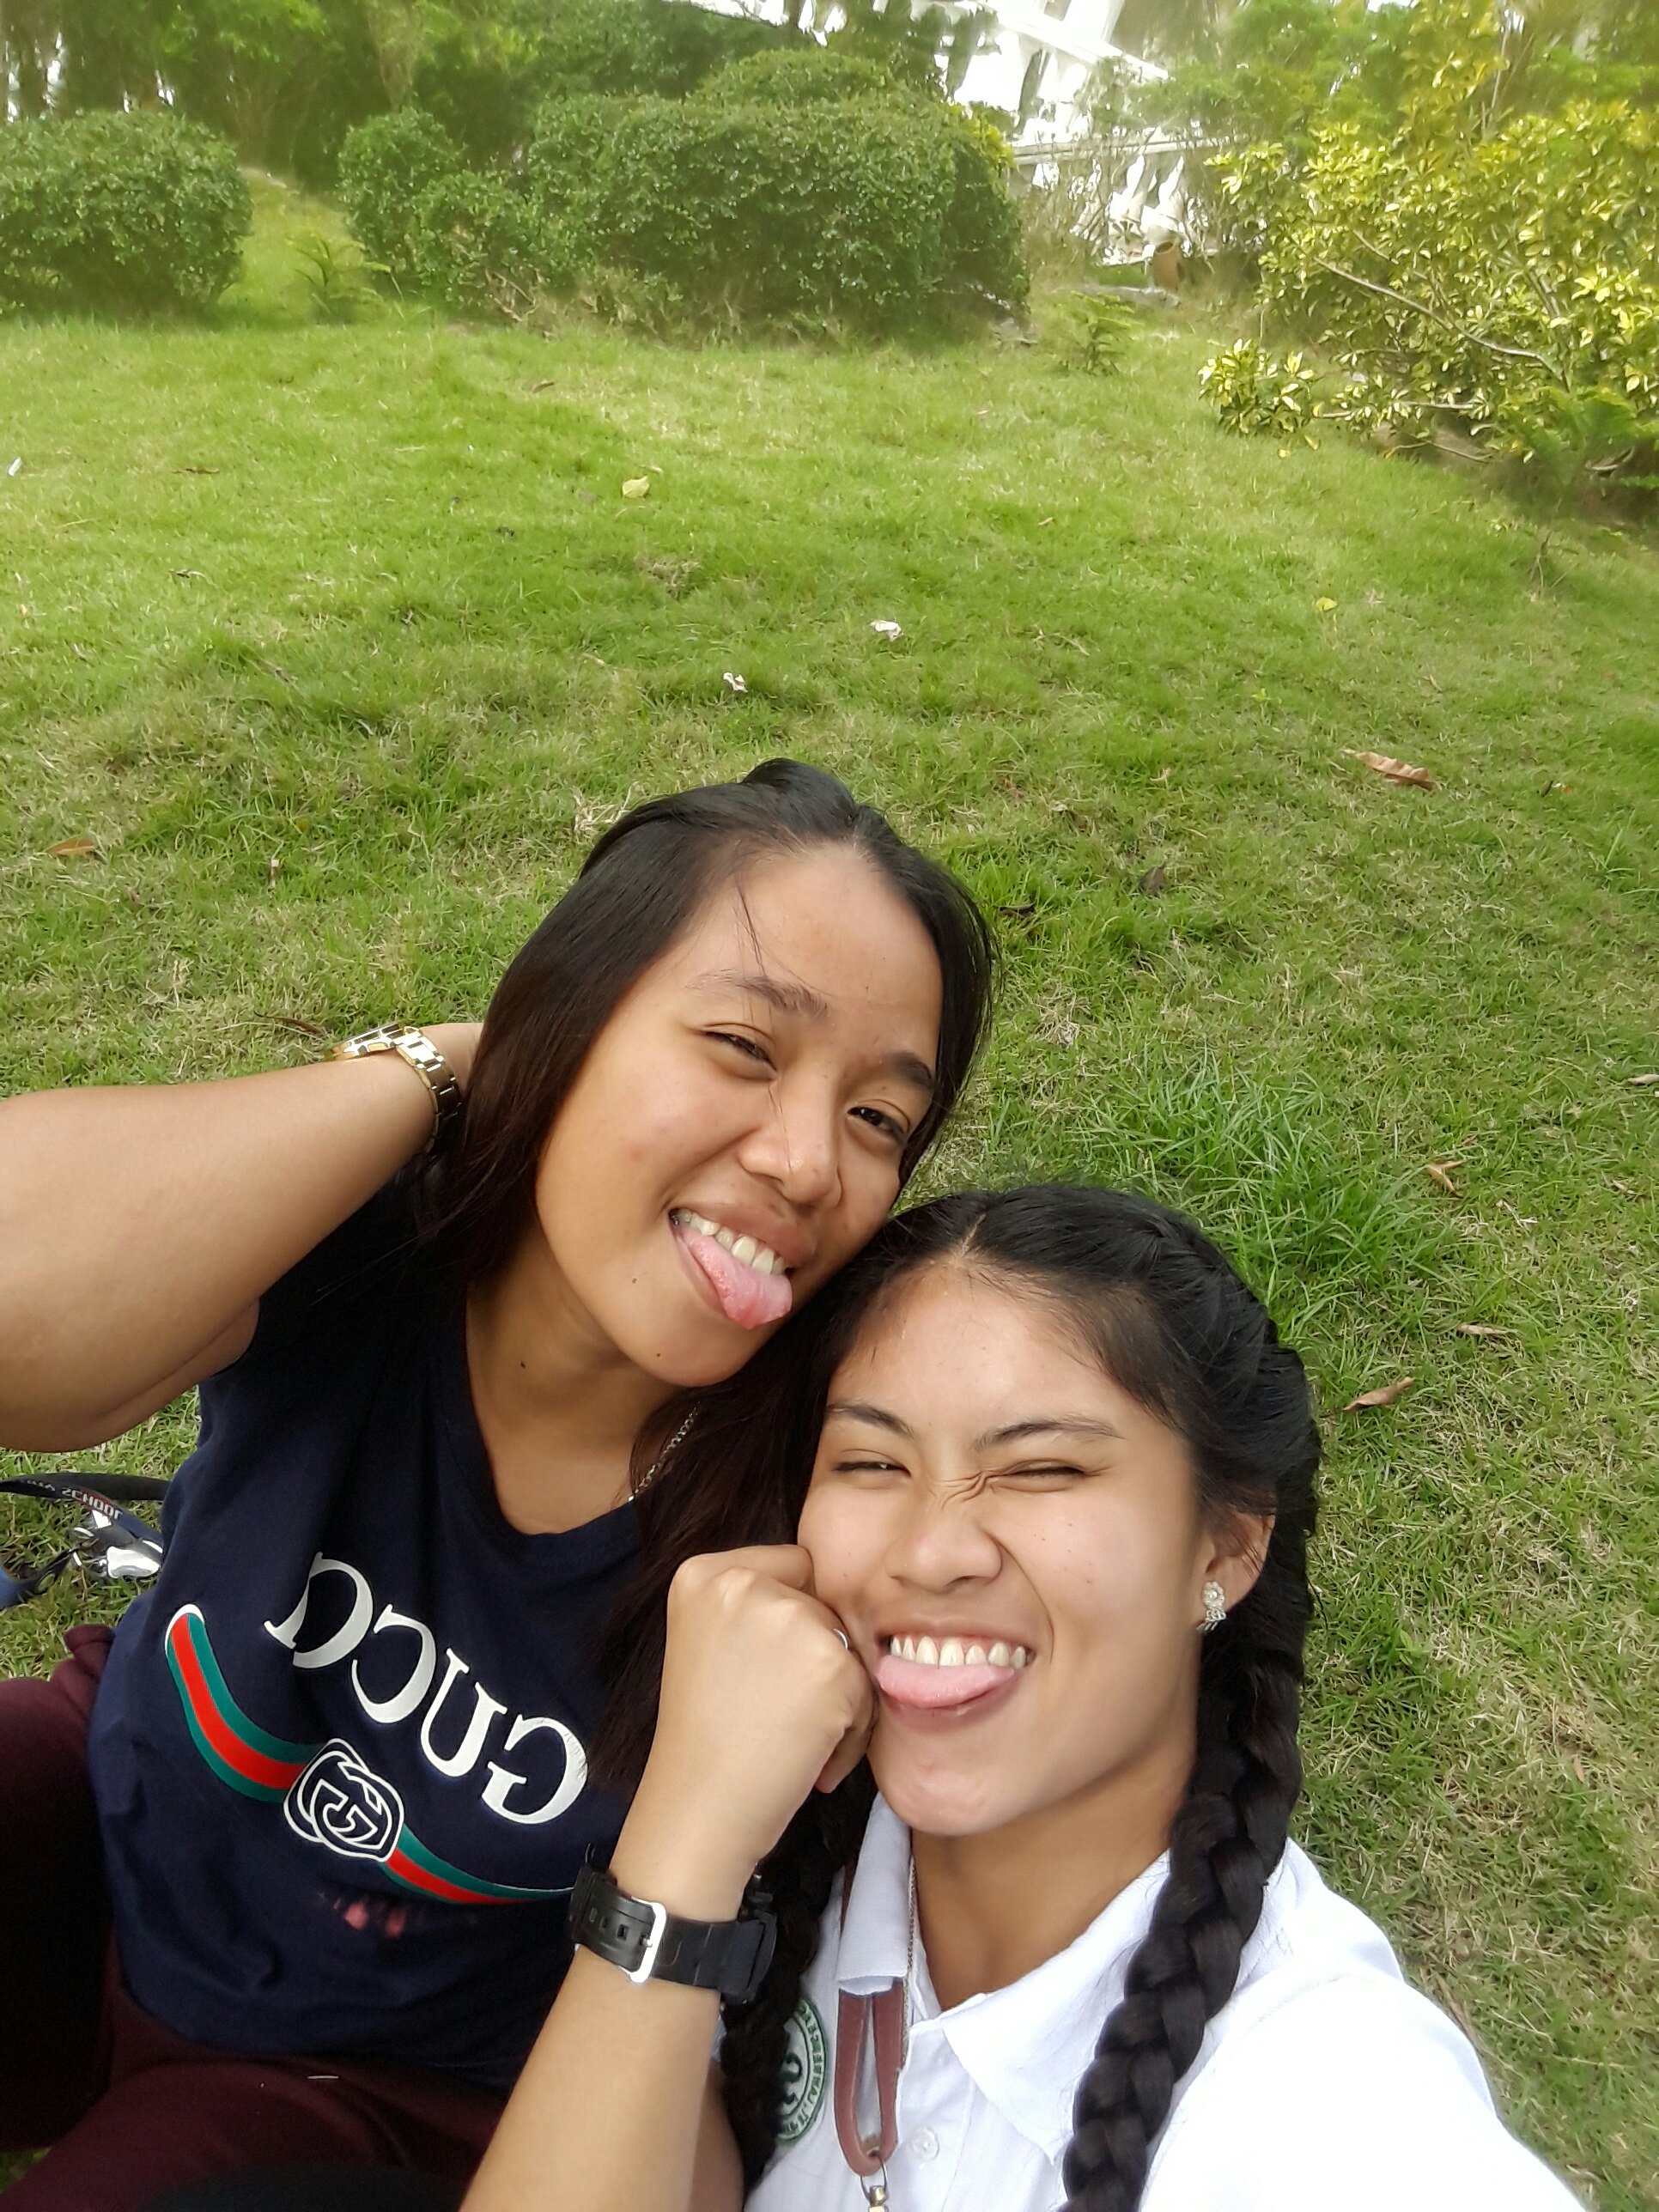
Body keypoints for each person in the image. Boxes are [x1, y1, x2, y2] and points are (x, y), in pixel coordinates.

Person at [0, 759, 996, 2212]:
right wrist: (447, 1072)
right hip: (104, 1830)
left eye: (879, 1121)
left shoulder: (810, 1497)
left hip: (374, 2094)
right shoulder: (360, 1237)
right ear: (567, 1016)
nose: (803, 1164)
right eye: (740, 1044)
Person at [463, 1186, 1582, 2212]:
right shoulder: (779, 1867)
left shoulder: (1332, 2115)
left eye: (1044, 1470)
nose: (932, 1550)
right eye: (871, 1464)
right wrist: (683, 1842)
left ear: (1228, 1546)